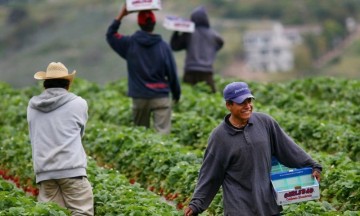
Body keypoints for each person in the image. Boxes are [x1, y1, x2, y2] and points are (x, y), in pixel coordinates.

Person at [183, 81, 322, 216]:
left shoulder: (265, 123)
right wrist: (196, 205)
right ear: (229, 105)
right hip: (239, 208)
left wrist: (312, 165)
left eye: (249, 101)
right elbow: (211, 173)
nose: (247, 106)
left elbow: (288, 149)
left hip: (268, 204)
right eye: (241, 102)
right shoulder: (219, 137)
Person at [27, 62, 94, 215]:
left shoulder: (32, 105)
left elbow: (33, 133)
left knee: (51, 213)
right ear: (68, 84)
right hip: (72, 170)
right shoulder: (79, 103)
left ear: (45, 85)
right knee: (81, 212)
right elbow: (79, 133)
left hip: (45, 172)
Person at [106, 5, 181, 134]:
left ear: (139, 24)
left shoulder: (129, 43)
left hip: (139, 96)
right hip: (160, 96)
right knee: (162, 137)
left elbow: (111, 35)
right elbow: (172, 73)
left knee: (140, 135)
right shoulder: (164, 47)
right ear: (154, 23)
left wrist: (121, 15)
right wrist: (176, 93)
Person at [170, 6, 224, 93]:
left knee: (187, 96)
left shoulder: (188, 34)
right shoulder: (213, 35)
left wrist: (176, 31)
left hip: (190, 71)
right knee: (210, 96)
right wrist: (212, 50)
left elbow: (174, 46)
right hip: (207, 72)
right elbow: (221, 42)